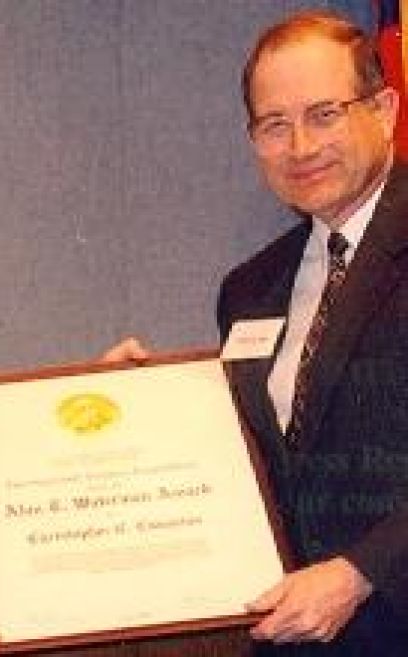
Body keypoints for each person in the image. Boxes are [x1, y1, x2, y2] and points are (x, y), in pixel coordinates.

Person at [111, 9, 408, 656]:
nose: (301, 147)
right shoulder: (249, 289)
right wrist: (147, 408)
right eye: (275, 124)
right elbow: (259, 457)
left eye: (324, 113)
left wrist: (362, 573)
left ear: (383, 111)